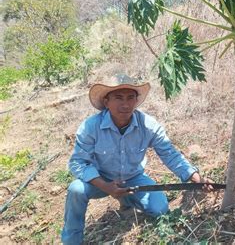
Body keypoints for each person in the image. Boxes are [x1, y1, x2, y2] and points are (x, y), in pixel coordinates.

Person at [61, 74, 212, 244]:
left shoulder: (148, 125)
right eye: (118, 98)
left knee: (160, 209)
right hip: (100, 179)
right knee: (76, 190)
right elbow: (78, 162)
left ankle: (125, 198)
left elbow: (169, 153)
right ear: (106, 102)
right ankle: (71, 240)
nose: (125, 104)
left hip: (133, 178)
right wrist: (105, 186)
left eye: (130, 97)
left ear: (136, 100)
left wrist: (196, 178)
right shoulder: (91, 127)